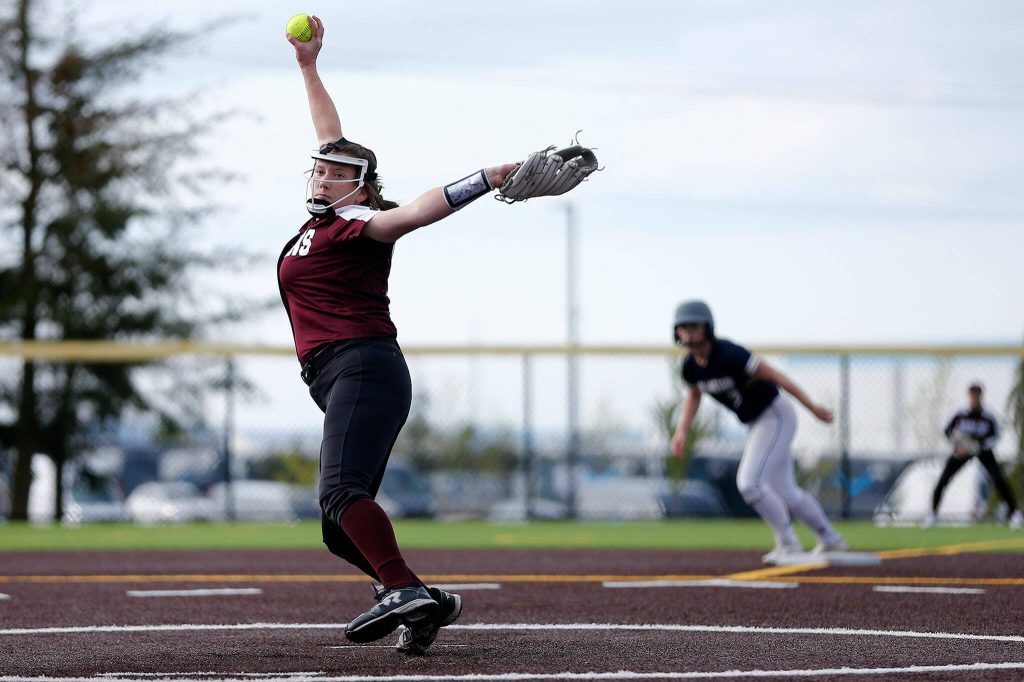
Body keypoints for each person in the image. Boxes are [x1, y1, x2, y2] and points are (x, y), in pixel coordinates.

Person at [280, 17, 519, 654]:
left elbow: (414, 212)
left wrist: (486, 178)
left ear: (360, 185)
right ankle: (425, 599)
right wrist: (308, 66)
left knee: (339, 493)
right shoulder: (326, 220)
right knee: (338, 527)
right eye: (317, 171)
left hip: (362, 366)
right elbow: (331, 134)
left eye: (333, 174)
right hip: (345, 374)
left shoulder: (360, 221)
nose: (320, 178)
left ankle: (403, 591)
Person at [669, 300, 847, 564]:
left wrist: (811, 407)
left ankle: (788, 541)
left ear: (707, 327)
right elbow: (694, 395)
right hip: (756, 423)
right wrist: (681, 431)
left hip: (775, 414)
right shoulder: (690, 367)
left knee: (750, 484)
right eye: (683, 328)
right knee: (785, 489)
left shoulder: (729, 353)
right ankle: (831, 539)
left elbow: (777, 376)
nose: (688, 333)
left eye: (694, 326)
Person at [923, 383, 1022, 530]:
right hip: (962, 451)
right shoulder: (960, 413)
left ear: (981, 396)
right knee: (943, 479)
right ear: (969, 396)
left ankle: (1015, 514)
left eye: (977, 396)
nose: (974, 399)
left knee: (998, 479)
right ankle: (932, 514)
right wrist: (958, 446)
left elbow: (997, 434)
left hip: (983, 451)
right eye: (972, 396)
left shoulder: (988, 415)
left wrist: (979, 446)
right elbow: (946, 431)